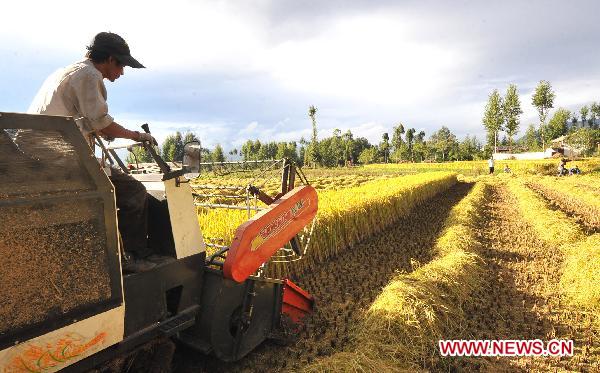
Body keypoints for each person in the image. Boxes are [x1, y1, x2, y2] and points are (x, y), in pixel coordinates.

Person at [27, 32, 159, 273]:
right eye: (122, 65)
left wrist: (101, 130)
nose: (122, 72)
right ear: (110, 59)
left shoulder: (67, 71)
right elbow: (102, 123)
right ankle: (132, 257)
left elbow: (84, 120)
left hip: (40, 155)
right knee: (134, 193)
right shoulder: (90, 75)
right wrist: (138, 136)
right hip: (62, 159)